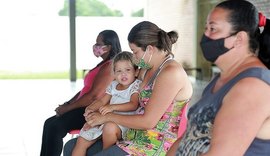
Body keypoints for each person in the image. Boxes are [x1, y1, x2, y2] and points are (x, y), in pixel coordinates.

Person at [63, 21, 193, 156]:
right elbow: (120, 93)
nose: (134, 58)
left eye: (135, 52)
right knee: (71, 147)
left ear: (149, 49)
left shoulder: (171, 72)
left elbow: (148, 121)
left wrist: (106, 117)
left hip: (153, 146)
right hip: (131, 137)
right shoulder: (145, 69)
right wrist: (95, 114)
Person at [167, 0, 270, 155]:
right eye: (206, 28)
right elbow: (189, 136)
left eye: (213, 29)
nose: (205, 35)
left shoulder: (252, 87)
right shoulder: (222, 78)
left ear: (239, 38)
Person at [40, 30, 122, 156]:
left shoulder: (110, 66)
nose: (95, 46)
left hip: (92, 109)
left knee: (55, 127)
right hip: (83, 106)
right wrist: (67, 103)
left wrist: (68, 108)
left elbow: (93, 96)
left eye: (98, 44)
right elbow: (84, 90)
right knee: (49, 123)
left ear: (109, 47)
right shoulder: (102, 64)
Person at [72, 51, 141, 156]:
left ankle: (105, 152)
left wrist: (112, 107)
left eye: (128, 70)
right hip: (105, 120)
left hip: (123, 124)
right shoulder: (113, 85)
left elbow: (133, 104)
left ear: (136, 72)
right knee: (82, 138)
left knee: (109, 127)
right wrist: (90, 108)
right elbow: (101, 101)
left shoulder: (135, 85)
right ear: (114, 74)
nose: (123, 74)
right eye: (118, 71)